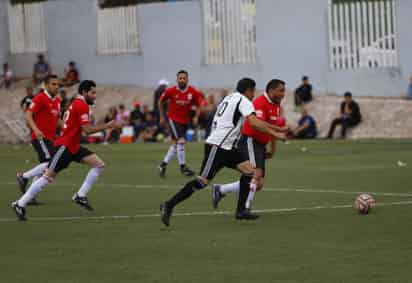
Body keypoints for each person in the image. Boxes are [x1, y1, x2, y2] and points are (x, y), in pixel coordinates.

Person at [159, 78, 287, 227]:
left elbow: (254, 120)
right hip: (217, 146)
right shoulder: (244, 100)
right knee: (201, 182)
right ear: (248, 90)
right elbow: (253, 122)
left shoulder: (230, 97)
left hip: (228, 147)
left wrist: (276, 129)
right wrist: (277, 134)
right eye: (253, 91)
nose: (253, 95)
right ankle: (168, 205)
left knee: (250, 172)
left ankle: (241, 211)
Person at [11, 80, 123, 221]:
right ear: (84, 92)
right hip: (65, 147)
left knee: (99, 164)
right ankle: (20, 204)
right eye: (92, 92)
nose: (95, 96)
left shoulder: (77, 103)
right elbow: (87, 130)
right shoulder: (81, 105)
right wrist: (107, 125)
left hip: (73, 146)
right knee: (47, 177)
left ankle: (80, 196)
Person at [212, 79, 288, 212]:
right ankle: (245, 209)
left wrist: (273, 149)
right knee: (255, 174)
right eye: (281, 91)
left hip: (260, 145)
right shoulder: (259, 103)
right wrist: (277, 135)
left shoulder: (276, 105)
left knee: (258, 184)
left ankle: (221, 190)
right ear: (271, 90)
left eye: (284, 91)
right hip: (250, 141)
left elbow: (273, 128)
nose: (283, 94)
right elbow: (258, 125)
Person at [16, 75, 61, 204]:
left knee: (45, 169)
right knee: (51, 163)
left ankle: (29, 197)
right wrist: (35, 129)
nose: (56, 87)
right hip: (40, 137)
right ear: (46, 85)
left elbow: (57, 119)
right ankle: (23, 176)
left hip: (50, 139)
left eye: (58, 84)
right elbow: (28, 114)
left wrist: (68, 128)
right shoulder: (40, 98)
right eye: (53, 84)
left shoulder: (57, 101)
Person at [158, 70, 203, 178]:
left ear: (187, 80)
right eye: (180, 78)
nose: (182, 80)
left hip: (184, 121)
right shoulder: (171, 91)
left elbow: (199, 104)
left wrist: (196, 116)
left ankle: (162, 165)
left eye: (184, 78)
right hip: (173, 120)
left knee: (175, 144)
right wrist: (161, 116)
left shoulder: (192, 92)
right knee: (181, 142)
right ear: (177, 80)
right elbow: (160, 101)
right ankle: (183, 167)